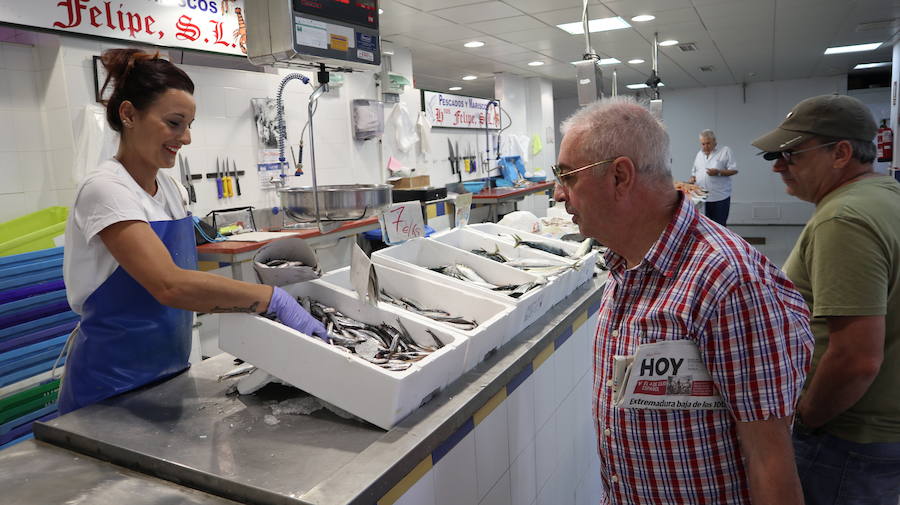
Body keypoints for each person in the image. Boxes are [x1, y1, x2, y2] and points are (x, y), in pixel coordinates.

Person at [552, 96, 813, 504]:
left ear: (620, 176)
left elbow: (770, 461)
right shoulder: (625, 264)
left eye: (567, 177)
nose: (557, 194)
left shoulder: (727, 282)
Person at [59, 48, 327, 415]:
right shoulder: (105, 190)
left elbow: (187, 279)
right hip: (109, 389)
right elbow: (170, 284)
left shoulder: (171, 191)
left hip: (169, 376)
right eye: (174, 123)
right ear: (128, 114)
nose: (185, 138)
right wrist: (271, 299)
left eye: (189, 126)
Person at [752, 94, 900, 504]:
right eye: (776, 157)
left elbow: (856, 358)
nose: (780, 166)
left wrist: (807, 416)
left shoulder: (843, 220)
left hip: (847, 440)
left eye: (792, 154)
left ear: (841, 153)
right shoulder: (886, 195)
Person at [688, 129, 738, 226]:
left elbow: (734, 170)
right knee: (706, 226)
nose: (705, 146)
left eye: (708, 143)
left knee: (719, 225)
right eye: (703, 144)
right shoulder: (699, 154)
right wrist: (692, 178)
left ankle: (722, 241)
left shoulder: (725, 151)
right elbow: (694, 171)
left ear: (714, 141)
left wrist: (718, 172)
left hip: (719, 196)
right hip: (702, 197)